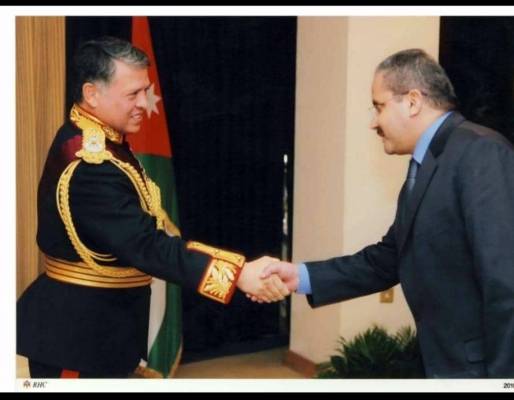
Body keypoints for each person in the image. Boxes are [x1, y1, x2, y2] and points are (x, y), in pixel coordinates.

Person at [17, 36, 288, 378]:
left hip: (100, 330)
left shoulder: (102, 139)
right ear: (92, 94)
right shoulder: (90, 164)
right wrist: (238, 274)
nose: (144, 104)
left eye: (145, 91)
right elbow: (148, 245)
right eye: (133, 94)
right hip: (75, 340)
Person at [259, 48, 514, 378]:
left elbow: (505, 282)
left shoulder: (480, 153)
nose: (373, 122)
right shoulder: (427, 166)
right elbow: (388, 259)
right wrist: (301, 276)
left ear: (412, 102)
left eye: (379, 106)